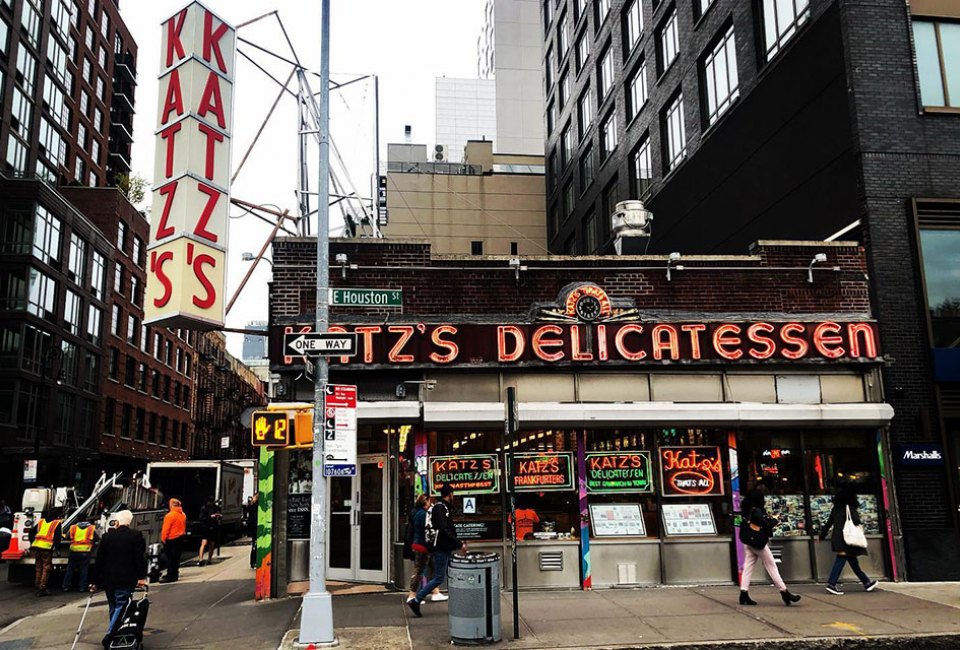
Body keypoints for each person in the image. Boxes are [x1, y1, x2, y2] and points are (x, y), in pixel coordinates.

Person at [407, 484, 466, 617]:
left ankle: (454, 603)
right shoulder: (440, 508)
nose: (454, 496)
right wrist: (458, 543)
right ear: (449, 494)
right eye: (453, 493)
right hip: (441, 548)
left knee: (443, 575)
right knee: (439, 577)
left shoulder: (442, 507)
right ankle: (416, 600)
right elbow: (444, 529)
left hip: (444, 547)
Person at [738, 489, 801, 606]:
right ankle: (784, 592)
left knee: (748, 567)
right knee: (771, 565)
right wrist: (776, 519)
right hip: (758, 543)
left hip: (749, 541)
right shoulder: (757, 510)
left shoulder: (747, 509)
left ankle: (743, 593)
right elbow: (766, 524)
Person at [93, 510, 147, 642]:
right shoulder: (136, 536)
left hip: (109, 579)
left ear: (117, 522)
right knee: (122, 605)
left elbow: (99, 559)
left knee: (113, 605)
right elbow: (139, 558)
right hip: (126, 578)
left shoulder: (107, 537)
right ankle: (111, 634)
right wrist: (141, 577)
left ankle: (115, 630)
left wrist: (94, 580)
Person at [819, 483, 878, 595]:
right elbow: (856, 521)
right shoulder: (849, 508)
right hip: (846, 538)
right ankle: (831, 584)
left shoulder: (836, 509)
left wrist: (822, 536)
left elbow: (828, 523)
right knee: (841, 560)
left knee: (852, 561)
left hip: (838, 538)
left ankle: (866, 582)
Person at [405, 494, 444, 603]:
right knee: (419, 571)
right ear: (424, 502)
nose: (430, 503)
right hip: (422, 546)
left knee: (433, 567)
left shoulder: (417, 513)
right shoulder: (422, 514)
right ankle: (412, 595)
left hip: (422, 545)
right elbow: (427, 529)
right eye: (429, 501)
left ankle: (435, 592)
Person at [28, 508, 63, 597]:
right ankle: (42, 588)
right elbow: (57, 538)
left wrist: (32, 542)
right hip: (46, 548)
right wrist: (58, 549)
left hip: (37, 547)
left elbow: (31, 532)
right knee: (46, 568)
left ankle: (37, 586)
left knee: (38, 567)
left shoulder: (41, 521)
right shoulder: (56, 523)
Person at [62, 519, 97, 592]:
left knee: (70, 570)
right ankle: (82, 587)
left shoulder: (73, 527)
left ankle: (66, 586)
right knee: (84, 570)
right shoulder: (91, 528)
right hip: (85, 551)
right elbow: (96, 538)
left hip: (74, 551)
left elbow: (67, 537)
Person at [159, 498, 186, 583]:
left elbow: (165, 529)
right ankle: (175, 575)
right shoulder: (183, 514)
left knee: (170, 559)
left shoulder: (170, 516)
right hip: (180, 538)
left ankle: (170, 576)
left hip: (171, 539)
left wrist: (163, 539)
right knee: (176, 559)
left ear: (171, 505)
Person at [197, 497, 222, 566]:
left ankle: (209, 559)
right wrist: (211, 517)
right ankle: (201, 559)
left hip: (213, 527)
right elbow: (201, 518)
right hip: (206, 527)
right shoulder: (204, 508)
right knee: (205, 543)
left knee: (212, 544)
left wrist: (218, 516)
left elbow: (219, 516)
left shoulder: (215, 508)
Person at [246, 493, 259, 569]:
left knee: (254, 545)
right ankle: (253, 561)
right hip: (255, 528)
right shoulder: (255, 507)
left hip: (254, 528)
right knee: (255, 545)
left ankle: (253, 561)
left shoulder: (252, 506)